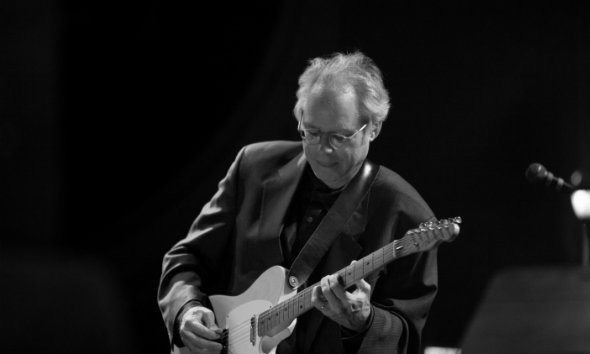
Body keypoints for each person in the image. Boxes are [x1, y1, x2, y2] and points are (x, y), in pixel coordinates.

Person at [158, 51, 438, 354]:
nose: (323, 150)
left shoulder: (408, 213)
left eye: (339, 137)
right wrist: (185, 310)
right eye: (312, 133)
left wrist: (365, 321)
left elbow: (407, 339)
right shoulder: (253, 167)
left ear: (374, 128)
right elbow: (186, 259)